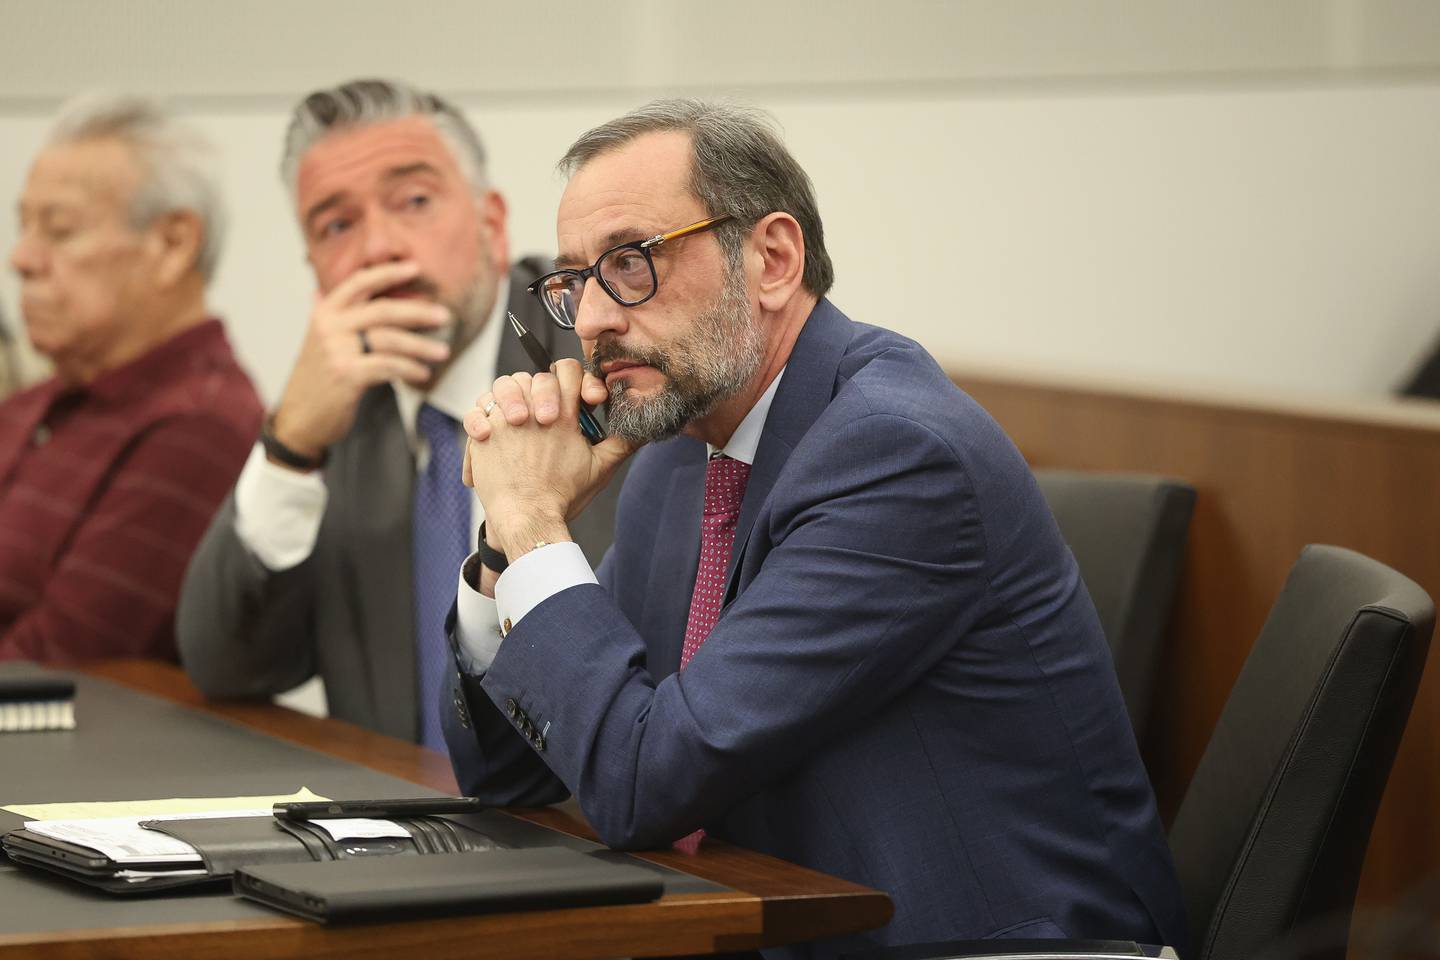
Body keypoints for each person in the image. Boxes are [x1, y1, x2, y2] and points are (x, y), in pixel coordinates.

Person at [444, 100, 1190, 957]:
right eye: (574, 283)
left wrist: (537, 523)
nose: (595, 320)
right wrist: (505, 548)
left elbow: (641, 784)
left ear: (772, 259)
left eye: (631, 262)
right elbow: (509, 775)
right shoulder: (680, 455)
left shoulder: (895, 455)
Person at [176, 79, 622, 750]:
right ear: (316, 271)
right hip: (396, 832)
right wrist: (289, 443)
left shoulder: (602, 371)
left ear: (492, 226)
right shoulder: (341, 413)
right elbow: (228, 664)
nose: (379, 248)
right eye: (337, 224)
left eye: (414, 201)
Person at [1, 94, 261, 662]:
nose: (21, 258)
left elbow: (55, 662)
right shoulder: (34, 402)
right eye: (24, 227)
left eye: (59, 231)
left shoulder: (199, 425)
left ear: (172, 245)